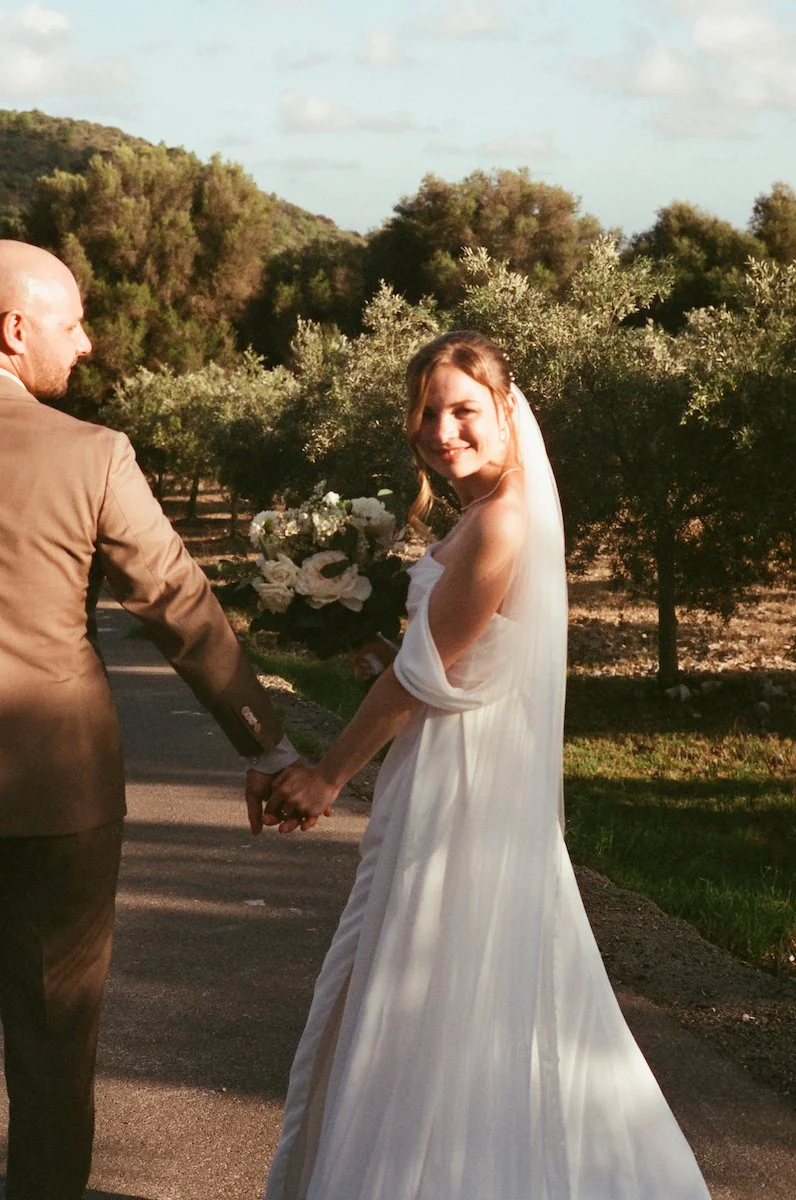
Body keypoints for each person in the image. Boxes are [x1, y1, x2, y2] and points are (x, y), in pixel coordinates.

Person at [258, 331, 711, 1199]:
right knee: (446, 987)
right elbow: (450, 661)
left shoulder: (503, 519)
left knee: (435, 986)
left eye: (464, 409)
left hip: (467, 787)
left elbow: (422, 676)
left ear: (508, 412)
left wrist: (328, 775)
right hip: (448, 761)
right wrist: (345, 630)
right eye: (429, 412)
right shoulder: (480, 512)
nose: (442, 429)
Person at [0, 240, 295, 1200]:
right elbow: (175, 599)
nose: (84, 345)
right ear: (14, 331)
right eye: (71, 321)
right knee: (51, 1046)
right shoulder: (92, 454)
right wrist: (267, 742)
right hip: (57, 792)